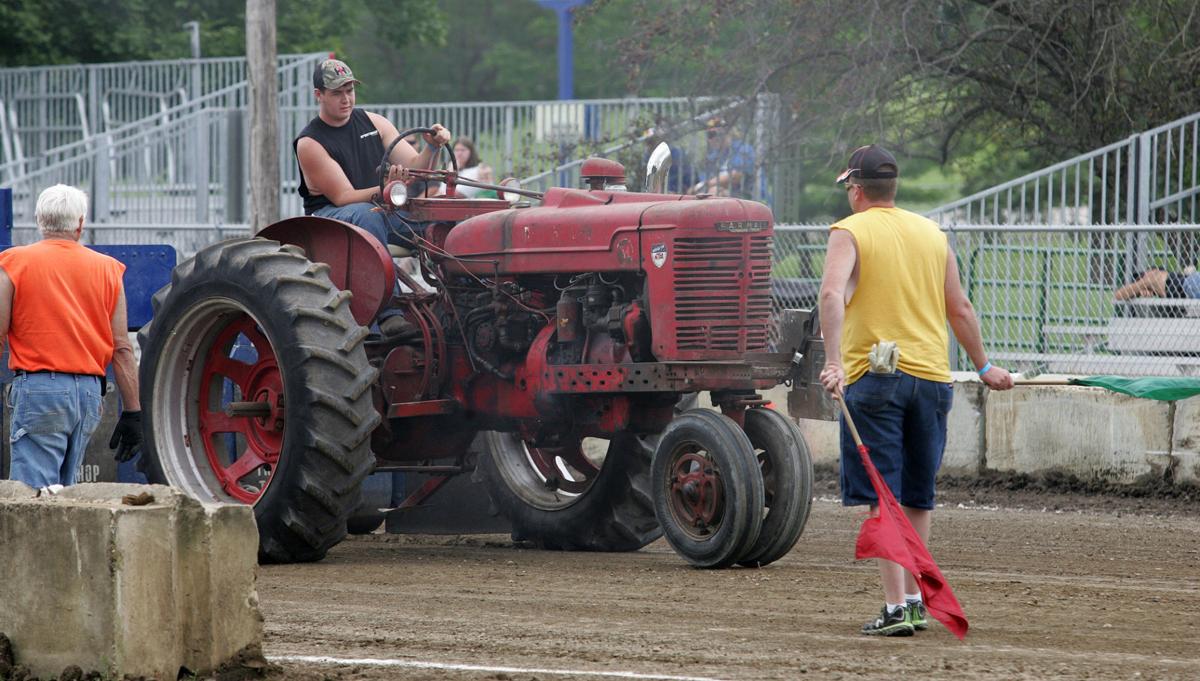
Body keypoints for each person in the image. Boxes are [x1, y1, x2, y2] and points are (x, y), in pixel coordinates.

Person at [817, 145, 1014, 637]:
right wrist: (984, 366)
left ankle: (895, 608)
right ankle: (915, 602)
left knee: (883, 494)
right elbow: (960, 307)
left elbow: (831, 293)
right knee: (917, 496)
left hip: (875, 376)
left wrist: (833, 362)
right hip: (931, 378)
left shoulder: (849, 231)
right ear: (893, 187)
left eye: (849, 187)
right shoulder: (932, 234)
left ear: (856, 190)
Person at [0, 185, 142, 489]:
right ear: (80, 223)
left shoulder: (12, 263)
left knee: (33, 494)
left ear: (39, 220)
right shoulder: (109, 269)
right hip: (89, 395)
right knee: (65, 493)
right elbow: (121, 348)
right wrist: (133, 411)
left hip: (39, 391)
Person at [294, 58, 453, 250]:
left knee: (445, 218)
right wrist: (387, 188)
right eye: (337, 93)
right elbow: (343, 197)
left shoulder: (375, 123)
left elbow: (416, 168)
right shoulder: (310, 142)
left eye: (349, 91)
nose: (346, 99)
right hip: (332, 216)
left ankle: (457, 268)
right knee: (368, 215)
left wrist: (432, 146)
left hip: (379, 210)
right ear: (319, 95)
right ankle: (383, 272)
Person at [692, 117, 755, 199]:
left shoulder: (743, 149)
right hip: (724, 197)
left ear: (729, 134)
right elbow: (703, 181)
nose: (715, 138)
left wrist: (703, 185)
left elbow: (736, 176)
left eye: (720, 133)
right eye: (711, 135)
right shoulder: (712, 158)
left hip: (748, 197)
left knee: (714, 192)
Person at [642, 127, 696, 194]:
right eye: (648, 142)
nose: (650, 145)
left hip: (681, 190)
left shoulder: (674, 152)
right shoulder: (648, 156)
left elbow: (686, 175)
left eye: (652, 142)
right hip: (663, 192)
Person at [1114, 267, 1200, 300]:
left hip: (1189, 282)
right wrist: (1144, 283)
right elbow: (1117, 295)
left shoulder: (1158, 274)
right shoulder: (1147, 281)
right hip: (1187, 286)